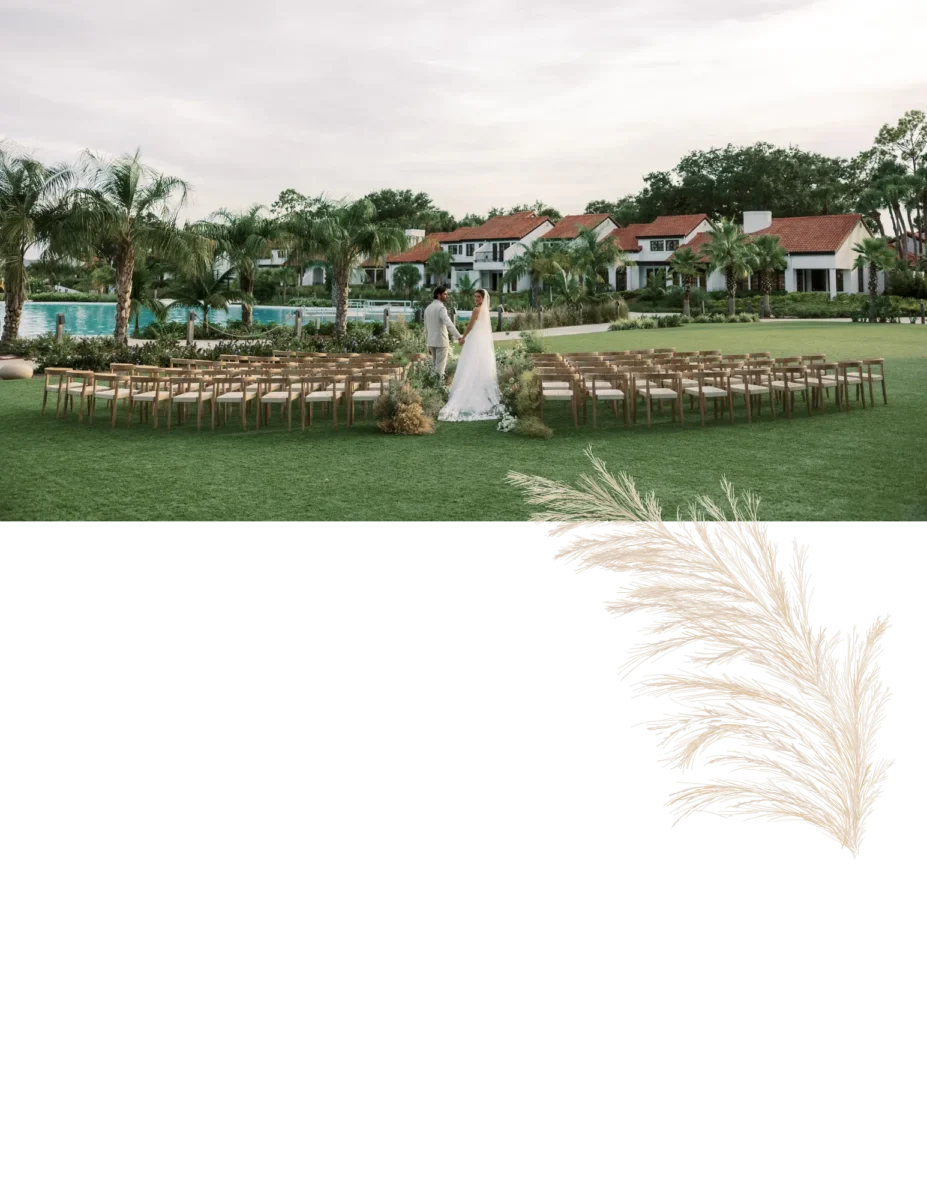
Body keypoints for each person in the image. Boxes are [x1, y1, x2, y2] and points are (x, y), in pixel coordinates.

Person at [438, 289, 503, 423]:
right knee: (478, 365)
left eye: (478, 297)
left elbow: (470, 325)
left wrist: (463, 337)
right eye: (475, 297)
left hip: (475, 340)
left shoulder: (476, 310)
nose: (476, 299)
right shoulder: (485, 311)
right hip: (483, 342)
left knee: (469, 364)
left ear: (483, 298)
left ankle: (470, 395)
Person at [424, 285, 462, 379]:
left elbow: (426, 327)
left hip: (431, 342)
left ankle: (434, 387)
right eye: (445, 294)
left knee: (435, 367)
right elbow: (449, 323)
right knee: (440, 368)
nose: (447, 296)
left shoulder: (428, 308)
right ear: (438, 295)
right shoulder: (441, 308)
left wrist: (428, 344)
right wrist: (458, 337)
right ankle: (439, 388)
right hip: (441, 341)